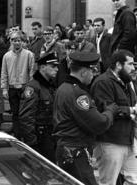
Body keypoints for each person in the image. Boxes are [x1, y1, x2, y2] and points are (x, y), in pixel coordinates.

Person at [53, 51, 118, 185]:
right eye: (92, 70)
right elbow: (99, 123)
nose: (93, 74)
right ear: (83, 72)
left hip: (67, 149)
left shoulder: (63, 88)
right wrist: (110, 111)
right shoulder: (78, 94)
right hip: (75, 152)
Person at [90, 49, 137, 185]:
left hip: (129, 140)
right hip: (109, 141)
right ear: (118, 65)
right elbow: (107, 109)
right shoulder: (103, 82)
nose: (134, 68)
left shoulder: (128, 82)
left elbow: (136, 105)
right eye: (130, 64)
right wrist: (132, 110)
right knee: (108, 182)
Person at [19, 53, 58, 162]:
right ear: (42, 67)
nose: (57, 69)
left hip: (50, 135)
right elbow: (26, 116)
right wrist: (31, 142)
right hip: (39, 137)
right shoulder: (33, 87)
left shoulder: (50, 86)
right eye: (53, 66)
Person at [1, 31, 35, 137]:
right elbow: (4, 72)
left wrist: (29, 87)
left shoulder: (29, 54)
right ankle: (17, 136)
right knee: (15, 113)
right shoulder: (6, 56)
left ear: (22, 41)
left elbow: (31, 72)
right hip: (12, 88)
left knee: (25, 114)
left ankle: (27, 135)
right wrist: (4, 88)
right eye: (14, 40)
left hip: (24, 87)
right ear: (11, 41)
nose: (16, 43)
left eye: (18, 40)